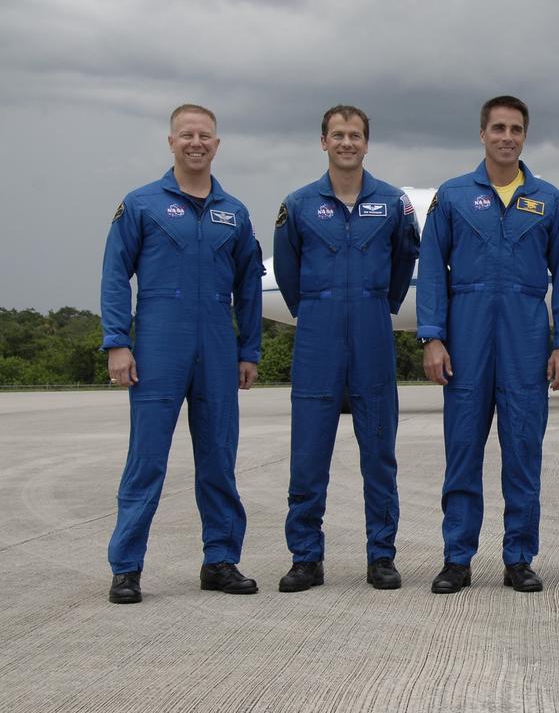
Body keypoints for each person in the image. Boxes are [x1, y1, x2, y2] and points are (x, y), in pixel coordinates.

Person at [418, 96, 559, 594]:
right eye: (498, 128)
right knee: (463, 449)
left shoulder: (548, 200)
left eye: (515, 129)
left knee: (523, 450)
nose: (506, 137)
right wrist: (433, 337)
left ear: (524, 136)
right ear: (483, 133)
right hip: (466, 337)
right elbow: (431, 270)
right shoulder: (452, 197)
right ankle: (457, 558)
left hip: (527, 336)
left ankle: (519, 557)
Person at [101, 104, 263, 604]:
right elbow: (114, 273)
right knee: (147, 460)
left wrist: (249, 350)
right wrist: (117, 343)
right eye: (187, 135)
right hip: (157, 343)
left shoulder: (233, 212)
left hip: (216, 344)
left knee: (219, 457)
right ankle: (126, 568)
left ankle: (220, 560)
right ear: (171, 141)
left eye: (206, 136)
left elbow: (249, 290)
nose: (197, 143)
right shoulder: (142, 204)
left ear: (217, 144)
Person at [272, 105, 421, 593]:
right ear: (323, 142)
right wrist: (318, 310)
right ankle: (306, 558)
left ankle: (381, 556)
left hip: (373, 329)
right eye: (338, 135)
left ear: (366, 143)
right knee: (308, 453)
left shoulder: (394, 203)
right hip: (318, 333)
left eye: (355, 135)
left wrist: (378, 306)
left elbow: (404, 266)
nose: (347, 143)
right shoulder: (297, 205)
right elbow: (289, 280)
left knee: (379, 451)